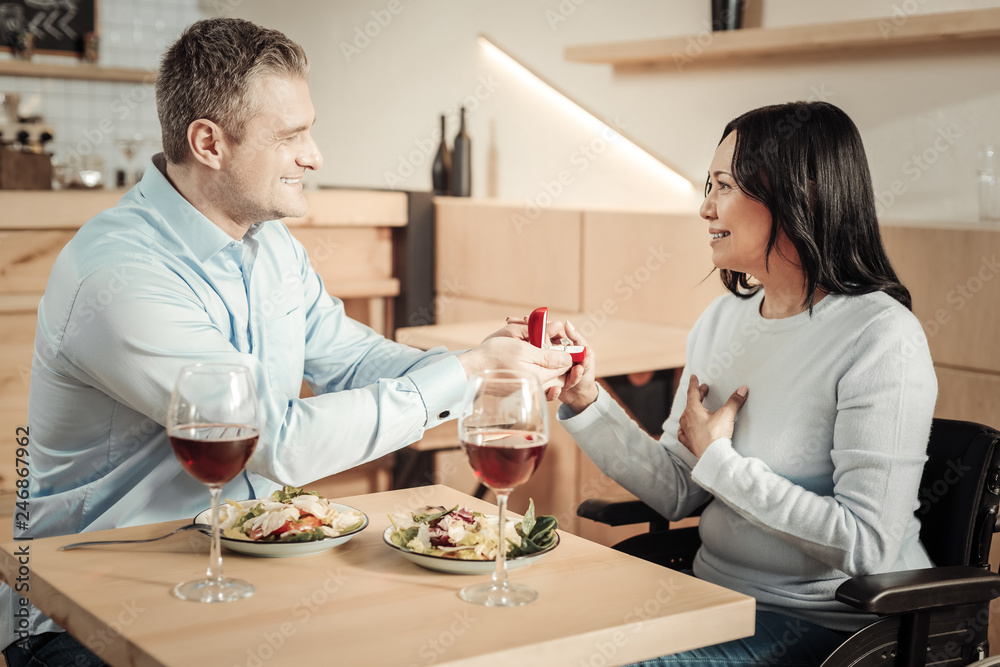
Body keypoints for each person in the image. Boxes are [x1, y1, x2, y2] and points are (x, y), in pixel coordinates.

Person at [0, 18, 574, 667]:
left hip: (244, 567)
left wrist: (489, 366)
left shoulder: (270, 247)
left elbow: (353, 359)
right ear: (209, 142)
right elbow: (271, 438)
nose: (314, 155)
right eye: (292, 136)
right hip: (82, 606)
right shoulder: (117, 275)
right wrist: (467, 371)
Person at [557, 101, 937, 666]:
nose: (705, 207)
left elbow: (868, 545)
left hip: (823, 625)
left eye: (724, 186)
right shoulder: (722, 322)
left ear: (798, 195)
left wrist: (722, 463)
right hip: (710, 598)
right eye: (707, 185)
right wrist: (587, 402)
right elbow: (680, 487)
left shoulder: (881, 337)